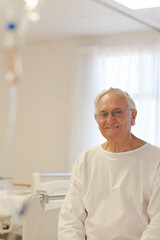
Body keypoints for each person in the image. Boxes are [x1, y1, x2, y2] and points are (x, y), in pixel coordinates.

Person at [58, 87, 160, 240]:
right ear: (96, 119)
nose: (110, 119)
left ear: (133, 116)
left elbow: (157, 224)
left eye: (117, 112)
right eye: (103, 114)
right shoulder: (85, 160)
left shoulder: (155, 159)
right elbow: (71, 218)